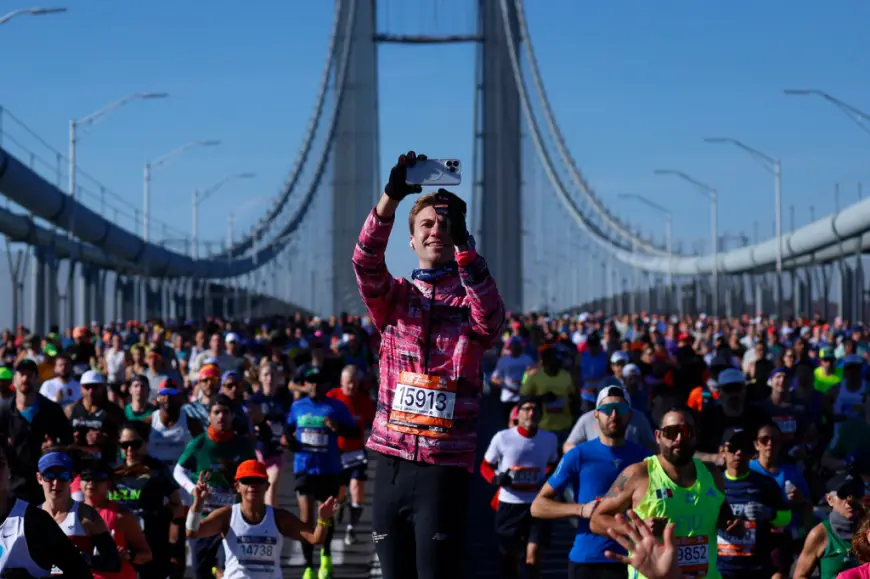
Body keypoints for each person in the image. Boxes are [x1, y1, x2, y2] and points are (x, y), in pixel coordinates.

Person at [351, 151, 505, 578]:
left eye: (444, 224)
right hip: (393, 463)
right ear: (412, 240)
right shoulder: (395, 298)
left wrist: (467, 249)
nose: (436, 231)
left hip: (444, 467)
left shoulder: (469, 299)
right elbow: (364, 263)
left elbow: (491, 321)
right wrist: (391, 197)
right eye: (427, 225)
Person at [590, 406, 742, 579]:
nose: (679, 438)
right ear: (658, 436)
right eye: (671, 432)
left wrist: (731, 524)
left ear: (695, 436)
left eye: (686, 431)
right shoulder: (638, 474)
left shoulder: (712, 474)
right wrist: (636, 528)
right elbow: (597, 519)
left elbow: (723, 511)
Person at [532, 385, 652, 579]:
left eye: (620, 410)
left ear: (630, 415)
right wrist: (580, 509)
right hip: (588, 561)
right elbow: (538, 506)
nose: (614, 415)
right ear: (596, 415)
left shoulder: (646, 458)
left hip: (635, 560)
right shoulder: (579, 454)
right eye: (606, 410)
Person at [185, 460, 339, 579]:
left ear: (267, 486)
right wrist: (198, 502)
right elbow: (193, 532)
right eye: (247, 481)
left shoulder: (279, 517)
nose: (253, 486)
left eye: (258, 481)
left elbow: (315, 539)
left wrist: (323, 520)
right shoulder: (228, 515)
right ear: (237, 486)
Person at [285, 367, 359, 579]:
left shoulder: (336, 407)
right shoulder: (297, 407)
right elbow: (287, 432)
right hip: (305, 468)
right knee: (306, 518)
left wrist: (337, 428)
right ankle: (309, 566)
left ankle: (326, 555)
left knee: (325, 516)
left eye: (319, 381)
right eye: (311, 381)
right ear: (305, 384)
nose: (315, 385)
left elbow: (354, 432)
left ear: (326, 384)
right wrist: (288, 441)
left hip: (329, 469)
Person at [174, 395, 257, 579]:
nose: (221, 417)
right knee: (200, 572)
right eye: (216, 412)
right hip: (203, 520)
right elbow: (178, 471)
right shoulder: (199, 443)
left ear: (232, 416)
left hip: (231, 520)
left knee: (226, 570)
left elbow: (255, 476)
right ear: (209, 416)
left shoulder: (243, 445)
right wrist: (192, 489)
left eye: (225, 412)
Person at [482, 396, 558, 579]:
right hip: (510, 504)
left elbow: (553, 464)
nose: (531, 413)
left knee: (532, 558)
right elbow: (485, 466)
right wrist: (496, 479)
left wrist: (547, 477)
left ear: (541, 414)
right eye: (526, 408)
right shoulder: (503, 438)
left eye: (535, 409)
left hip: (537, 505)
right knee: (510, 559)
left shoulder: (550, 439)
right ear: (518, 413)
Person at [0, 443, 95, 577]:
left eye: (0, 464)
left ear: (9, 470)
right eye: (49, 476)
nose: (56, 482)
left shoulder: (34, 521)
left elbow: (81, 573)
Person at [111, 422, 185, 579]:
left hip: (151, 542)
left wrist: (160, 516)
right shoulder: (112, 471)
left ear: (146, 443)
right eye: (124, 445)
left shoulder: (158, 470)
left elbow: (177, 505)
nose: (130, 450)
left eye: (135, 444)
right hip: (119, 543)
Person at [715, 428, 791, 579]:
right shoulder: (712, 485)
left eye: (744, 448)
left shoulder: (765, 484)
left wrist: (769, 514)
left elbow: (787, 517)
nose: (738, 453)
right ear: (722, 451)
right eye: (732, 448)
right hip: (720, 570)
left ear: (751, 453)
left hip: (756, 570)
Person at [0, 358, 73, 504]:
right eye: (21, 374)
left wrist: (55, 447)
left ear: (37, 379)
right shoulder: (4, 411)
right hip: (13, 487)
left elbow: (69, 442)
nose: (25, 379)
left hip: (46, 486)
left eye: (30, 375)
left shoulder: (52, 410)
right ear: (14, 379)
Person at [37, 451, 122, 576]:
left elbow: (113, 562)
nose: (56, 483)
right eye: (49, 476)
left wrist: (86, 560)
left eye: (63, 476)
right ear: (39, 478)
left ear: (71, 478)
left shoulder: (86, 515)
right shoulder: (31, 516)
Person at [326, 365, 375, 545]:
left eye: (354, 383)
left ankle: (351, 528)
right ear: (341, 382)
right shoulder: (332, 397)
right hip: (336, 454)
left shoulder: (364, 401)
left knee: (357, 489)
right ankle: (342, 500)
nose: (351, 387)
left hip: (356, 453)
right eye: (348, 383)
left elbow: (375, 422)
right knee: (337, 495)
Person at [80, 460, 153, 579]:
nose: (91, 482)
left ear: (108, 483)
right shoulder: (70, 513)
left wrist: (128, 555)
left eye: (98, 478)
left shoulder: (121, 515)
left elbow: (146, 555)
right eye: (86, 477)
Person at [793, 472, 864, 579]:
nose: (849, 501)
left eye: (855, 494)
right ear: (829, 499)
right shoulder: (819, 534)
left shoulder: (866, 529)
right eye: (842, 495)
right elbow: (799, 576)